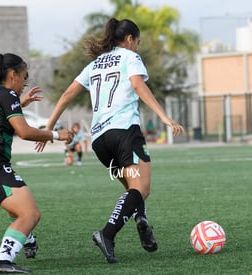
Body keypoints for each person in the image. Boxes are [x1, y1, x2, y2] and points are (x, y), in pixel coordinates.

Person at [36, 18, 184, 263]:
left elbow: (66, 95)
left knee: (132, 189)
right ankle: (107, 234)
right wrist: (165, 118)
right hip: (124, 132)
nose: (137, 46)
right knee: (141, 188)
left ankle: (141, 220)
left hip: (100, 141)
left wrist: (48, 128)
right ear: (128, 39)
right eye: (137, 41)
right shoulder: (130, 57)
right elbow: (137, 85)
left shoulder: (94, 64)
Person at [0, 53, 73, 273]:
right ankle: (2, 261)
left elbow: (1, 118)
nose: (25, 82)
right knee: (30, 214)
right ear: (12, 74)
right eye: (24, 76)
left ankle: (28, 238)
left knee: (19, 206)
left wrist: (20, 102)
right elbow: (23, 132)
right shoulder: (7, 94)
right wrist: (56, 135)